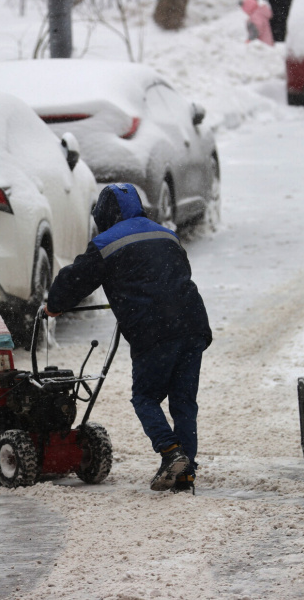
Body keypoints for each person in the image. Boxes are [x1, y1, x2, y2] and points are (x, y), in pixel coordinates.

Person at [45, 184, 212, 494]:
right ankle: (185, 472)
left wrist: (53, 306)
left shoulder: (106, 242)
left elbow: (75, 280)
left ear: (104, 215)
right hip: (193, 325)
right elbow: (176, 274)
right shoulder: (166, 234)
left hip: (154, 330)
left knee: (145, 397)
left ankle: (170, 451)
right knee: (183, 401)